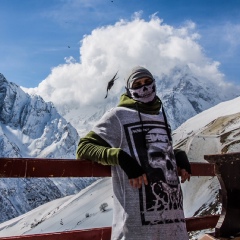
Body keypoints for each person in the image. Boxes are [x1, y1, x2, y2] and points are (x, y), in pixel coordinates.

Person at [76, 66, 191, 240]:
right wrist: (120, 157)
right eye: (137, 84)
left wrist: (175, 155)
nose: (144, 88)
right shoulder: (117, 116)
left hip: (174, 226)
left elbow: (151, 150)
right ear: (129, 90)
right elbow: (84, 147)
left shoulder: (162, 117)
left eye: (147, 82)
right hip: (136, 230)